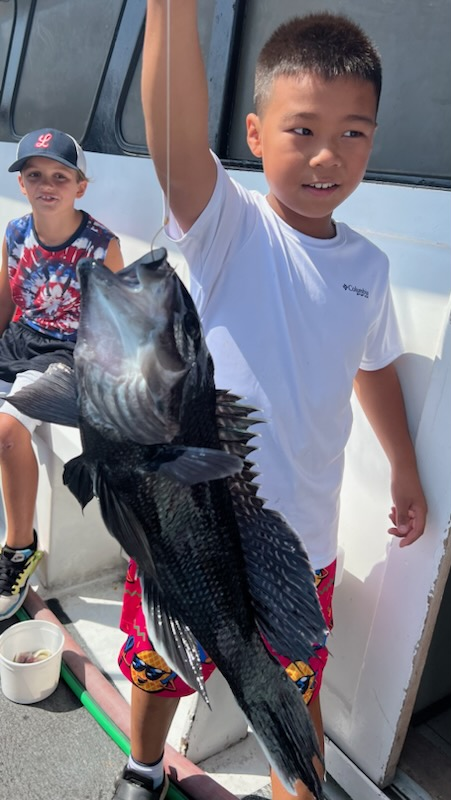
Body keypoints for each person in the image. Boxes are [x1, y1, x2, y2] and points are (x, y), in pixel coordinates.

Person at [111, 4, 428, 800]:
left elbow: (374, 365)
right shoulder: (226, 227)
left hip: (301, 544)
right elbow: (175, 139)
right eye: (302, 130)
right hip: (188, 529)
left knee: (293, 690)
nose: (327, 155)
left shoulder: (370, 267)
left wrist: (403, 468)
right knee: (158, 667)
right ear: (253, 135)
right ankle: (142, 768)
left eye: (353, 132)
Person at [0, 127, 124, 620]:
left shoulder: (101, 245)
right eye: (35, 175)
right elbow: (8, 300)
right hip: (19, 342)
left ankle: (19, 549)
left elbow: (116, 324)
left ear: (80, 186)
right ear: (22, 183)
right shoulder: (14, 232)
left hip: (64, 356)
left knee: (8, 433)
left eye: (59, 175)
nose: (46, 184)